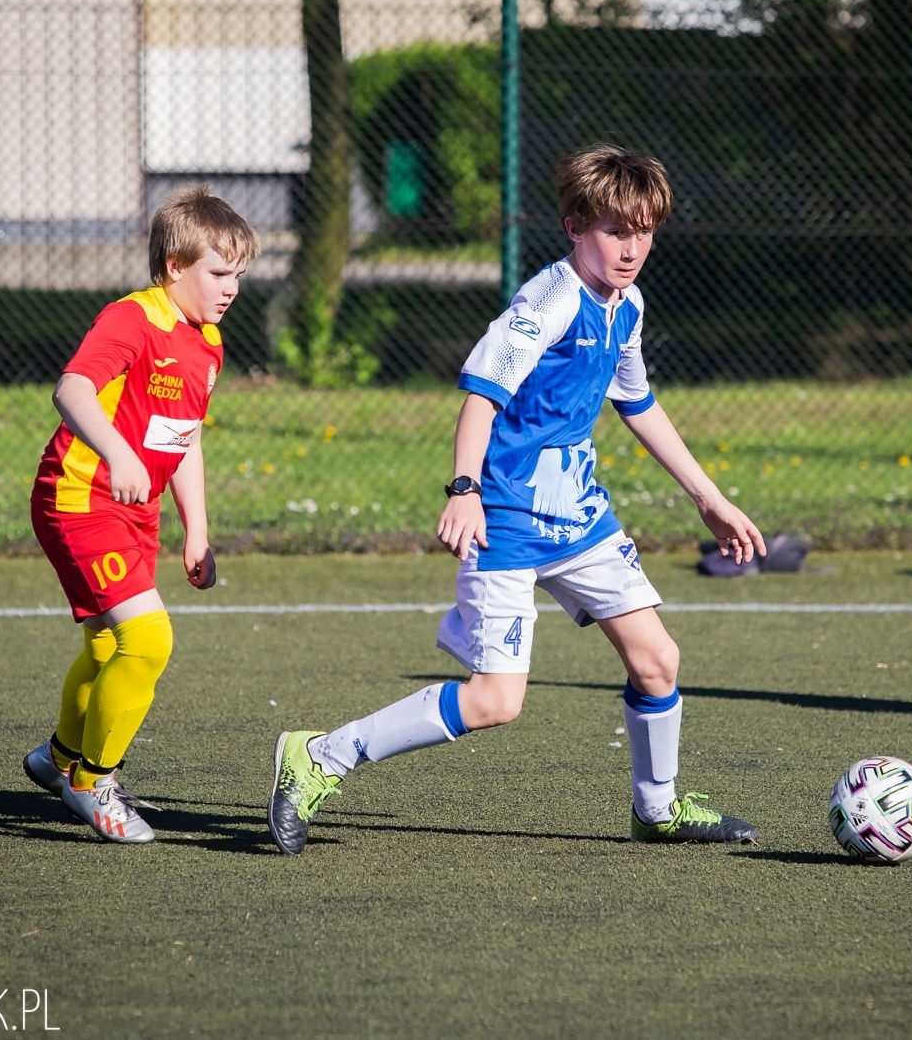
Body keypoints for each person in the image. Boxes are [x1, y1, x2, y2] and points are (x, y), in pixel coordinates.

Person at [268, 145, 767, 855]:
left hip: (580, 516)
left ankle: (656, 809)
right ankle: (320, 755)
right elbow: (481, 393)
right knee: (497, 700)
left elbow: (638, 402)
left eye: (645, 230)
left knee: (657, 659)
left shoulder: (627, 305)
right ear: (573, 224)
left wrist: (708, 497)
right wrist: (465, 489)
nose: (631, 249)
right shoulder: (551, 298)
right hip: (504, 518)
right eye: (615, 230)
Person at [23, 186, 259, 841]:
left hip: (132, 510)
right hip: (79, 496)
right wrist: (117, 452)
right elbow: (70, 389)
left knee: (108, 644)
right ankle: (92, 782)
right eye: (218, 272)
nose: (231, 287)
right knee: (149, 639)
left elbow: (184, 438)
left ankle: (58, 758)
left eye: (238, 274)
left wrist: (199, 532)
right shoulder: (132, 319)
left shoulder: (207, 342)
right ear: (174, 267)